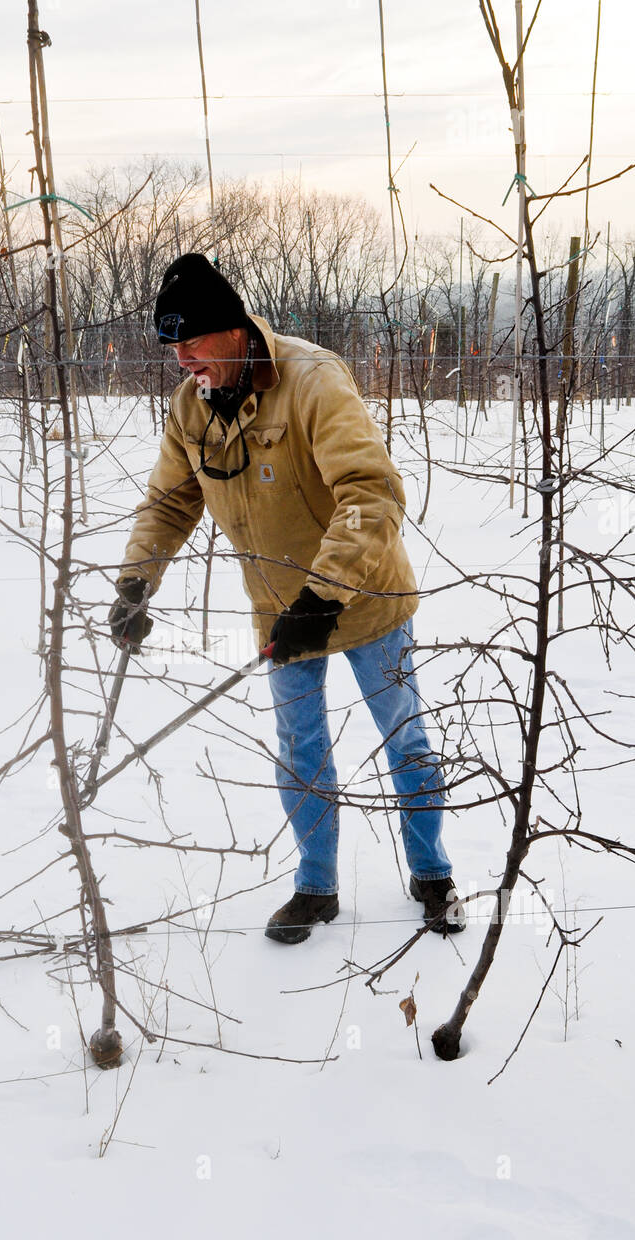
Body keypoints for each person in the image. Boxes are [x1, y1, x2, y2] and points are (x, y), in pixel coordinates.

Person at [108, 253, 464, 943]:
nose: (182, 358)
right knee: (300, 748)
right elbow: (168, 502)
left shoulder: (312, 379)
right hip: (278, 610)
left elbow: (371, 492)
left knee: (404, 737)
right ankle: (315, 887)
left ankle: (432, 874)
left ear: (236, 329)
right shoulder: (190, 407)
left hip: (361, 597)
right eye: (170, 346)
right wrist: (134, 584)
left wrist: (324, 596)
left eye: (192, 342)